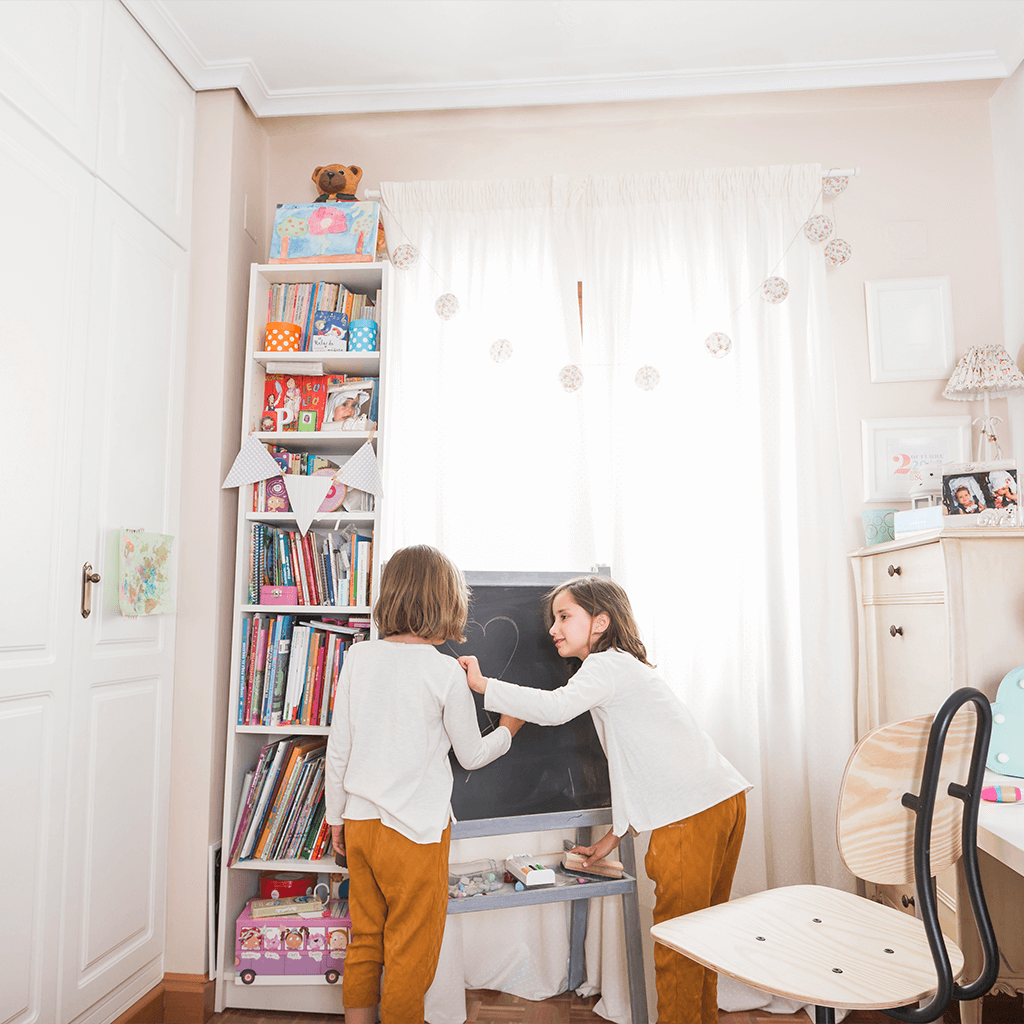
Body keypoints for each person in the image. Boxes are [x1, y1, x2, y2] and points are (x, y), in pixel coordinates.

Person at [459, 575, 750, 1024]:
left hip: (691, 816)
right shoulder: (621, 667)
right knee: (698, 937)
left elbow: (554, 710)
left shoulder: (604, 666)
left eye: (564, 616)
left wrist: (483, 686)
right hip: (720, 801)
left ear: (600, 622)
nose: (553, 629)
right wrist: (612, 839)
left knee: (677, 943)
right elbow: (644, 767)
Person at [325, 545, 524, 1024]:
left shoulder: (358, 658)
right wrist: (509, 728)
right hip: (416, 833)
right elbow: (471, 754)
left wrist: (336, 820)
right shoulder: (443, 673)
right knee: (411, 949)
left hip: (362, 824)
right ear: (447, 604)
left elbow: (339, 750)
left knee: (367, 936)